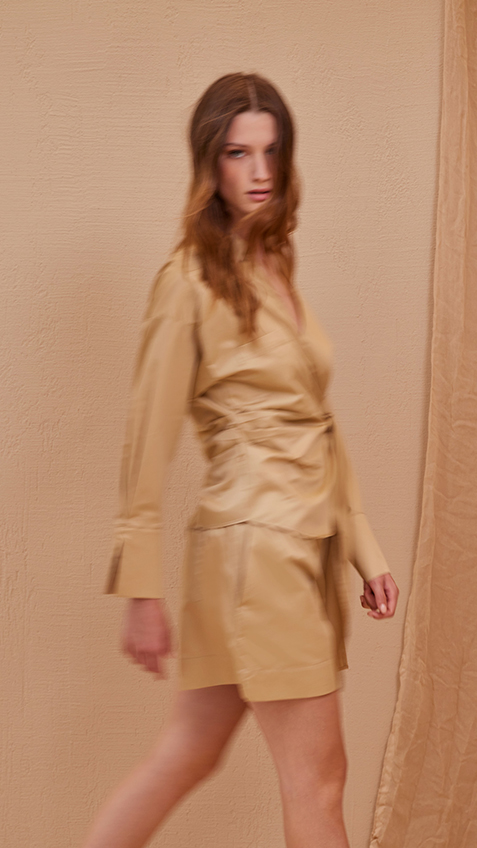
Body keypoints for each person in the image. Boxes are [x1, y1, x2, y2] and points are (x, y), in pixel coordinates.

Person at [84, 72, 399, 848]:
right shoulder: (188, 281)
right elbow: (147, 436)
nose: (258, 171)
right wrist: (141, 588)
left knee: (186, 754)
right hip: (262, 556)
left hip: (286, 544)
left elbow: (315, 423)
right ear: (209, 162)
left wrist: (365, 551)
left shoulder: (272, 264)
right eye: (237, 153)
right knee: (318, 782)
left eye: (271, 150)